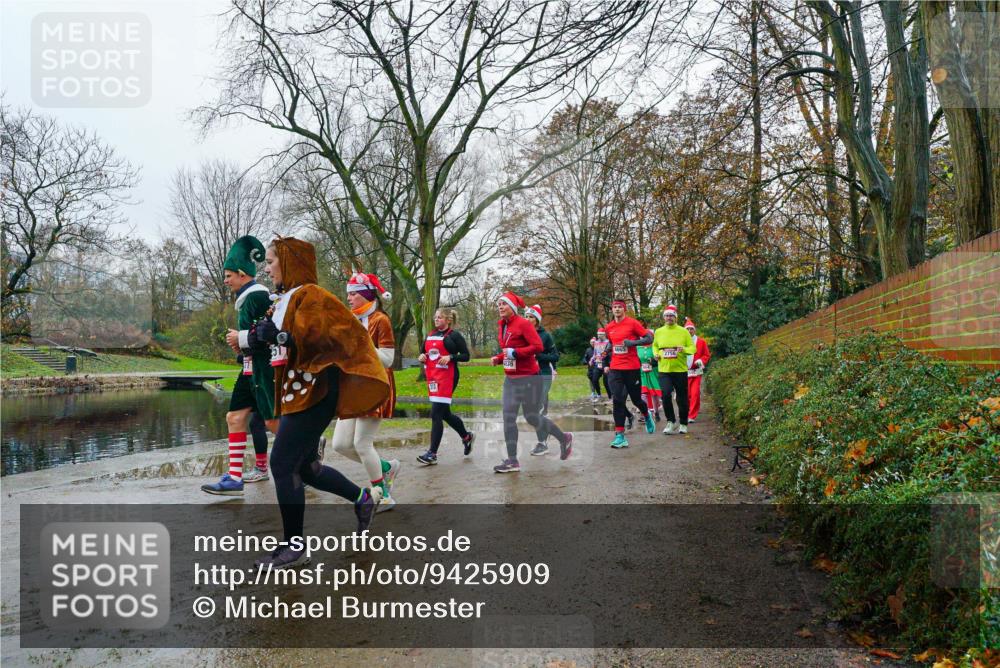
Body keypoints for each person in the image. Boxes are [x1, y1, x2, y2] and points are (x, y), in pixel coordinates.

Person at [247, 237, 388, 569]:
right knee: (306, 468)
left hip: (317, 391)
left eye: (270, 261)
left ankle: (294, 547)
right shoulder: (287, 299)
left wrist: (278, 336)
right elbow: (284, 341)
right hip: (299, 391)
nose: (266, 269)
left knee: (282, 464)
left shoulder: (313, 296)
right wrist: (256, 337)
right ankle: (363, 499)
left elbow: (324, 341)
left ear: (289, 262)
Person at [202, 236, 278, 496]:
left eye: (228, 275)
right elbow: (254, 336)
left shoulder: (257, 297)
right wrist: (240, 344)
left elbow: (269, 334)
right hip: (249, 369)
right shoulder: (247, 298)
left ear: (242, 273)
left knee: (273, 423)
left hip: (263, 371)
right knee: (234, 417)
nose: (225, 280)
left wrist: (242, 339)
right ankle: (234, 477)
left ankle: (309, 454)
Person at [332, 272, 402, 512]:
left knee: (362, 444)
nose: (348, 298)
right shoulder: (349, 320)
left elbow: (388, 359)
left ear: (365, 295)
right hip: (352, 388)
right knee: (340, 445)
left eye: (353, 293)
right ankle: (385, 467)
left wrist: (363, 345)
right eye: (348, 293)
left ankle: (382, 496)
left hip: (375, 386)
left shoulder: (380, 320)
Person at [491, 291, 573, 472]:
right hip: (511, 378)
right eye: (498, 305)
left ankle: (563, 437)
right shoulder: (502, 326)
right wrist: (499, 357)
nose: (500, 307)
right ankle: (512, 460)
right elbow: (508, 349)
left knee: (532, 417)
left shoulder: (523, 324)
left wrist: (516, 353)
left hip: (529, 378)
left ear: (512, 307)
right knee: (508, 417)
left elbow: (537, 346)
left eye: (503, 304)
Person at [416, 308, 475, 465]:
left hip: (449, 377)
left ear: (448, 320)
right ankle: (467, 437)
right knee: (444, 414)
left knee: (436, 413)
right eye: (435, 317)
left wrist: (450, 357)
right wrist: (421, 357)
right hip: (434, 377)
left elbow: (466, 356)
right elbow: (423, 353)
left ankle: (432, 454)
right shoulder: (430, 335)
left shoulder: (454, 336)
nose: (436, 320)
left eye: (440, 317)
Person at [604, 299, 654, 447]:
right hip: (615, 368)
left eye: (620, 307)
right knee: (617, 400)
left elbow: (649, 337)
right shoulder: (609, 327)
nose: (617, 309)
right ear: (612, 310)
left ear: (624, 309)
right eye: (615, 307)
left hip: (631, 368)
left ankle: (646, 414)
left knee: (636, 399)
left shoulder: (633, 323)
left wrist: (632, 343)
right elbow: (612, 342)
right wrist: (607, 350)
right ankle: (620, 435)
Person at [652, 305, 695, 435]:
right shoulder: (659, 331)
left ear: (675, 317)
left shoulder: (683, 331)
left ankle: (683, 423)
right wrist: (655, 354)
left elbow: (693, 348)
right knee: (665, 395)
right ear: (664, 317)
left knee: (681, 398)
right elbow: (655, 346)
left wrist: (684, 350)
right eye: (667, 315)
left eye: (671, 315)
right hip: (664, 369)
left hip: (680, 370)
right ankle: (671, 422)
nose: (669, 318)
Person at [525, 304, 559, 456]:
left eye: (531, 317)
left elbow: (555, 356)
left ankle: (542, 443)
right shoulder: (522, 334)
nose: (528, 319)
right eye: (526, 316)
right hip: (528, 375)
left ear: (537, 320)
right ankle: (547, 431)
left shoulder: (545, 336)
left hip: (544, 373)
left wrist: (539, 356)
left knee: (537, 407)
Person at [685, 318, 711, 422]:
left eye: (691, 329)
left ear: (694, 330)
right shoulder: (681, 342)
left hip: (696, 373)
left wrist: (701, 361)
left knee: (695, 393)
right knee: (686, 394)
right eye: (687, 329)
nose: (689, 331)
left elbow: (706, 355)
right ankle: (685, 412)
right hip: (684, 372)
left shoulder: (701, 342)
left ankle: (692, 415)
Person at [637, 325, 662, 425]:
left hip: (654, 372)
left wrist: (654, 361)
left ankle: (656, 412)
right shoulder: (638, 347)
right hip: (642, 372)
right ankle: (644, 414)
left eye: (647, 337)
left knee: (654, 394)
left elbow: (660, 358)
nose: (645, 339)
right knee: (643, 393)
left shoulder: (655, 347)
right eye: (644, 337)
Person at [587, 329, 612, 402]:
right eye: (598, 334)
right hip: (597, 364)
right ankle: (599, 395)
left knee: (606, 381)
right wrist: (591, 359)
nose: (598, 336)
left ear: (604, 335)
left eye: (600, 334)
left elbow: (608, 353)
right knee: (594, 380)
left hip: (606, 363)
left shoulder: (608, 342)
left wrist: (603, 358)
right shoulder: (596, 342)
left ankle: (611, 397)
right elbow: (595, 353)